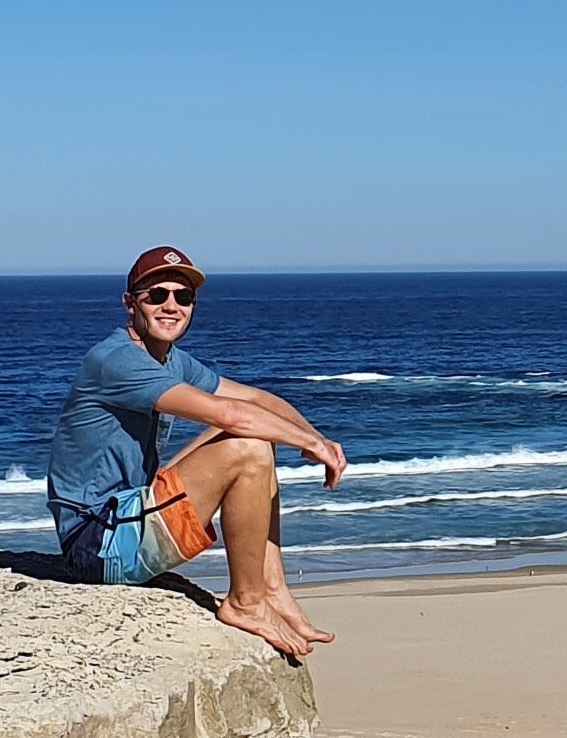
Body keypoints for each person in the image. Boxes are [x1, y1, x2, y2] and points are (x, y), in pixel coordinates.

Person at [46, 246, 348, 657]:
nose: (171, 306)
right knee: (249, 448)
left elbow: (258, 400)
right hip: (98, 545)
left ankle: (273, 590)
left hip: (131, 515)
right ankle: (246, 602)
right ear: (130, 303)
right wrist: (312, 445)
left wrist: (320, 440)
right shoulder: (114, 360)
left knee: (257, 438)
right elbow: (233, 415)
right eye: (157, 295)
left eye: (183, 297)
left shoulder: (171, 361)